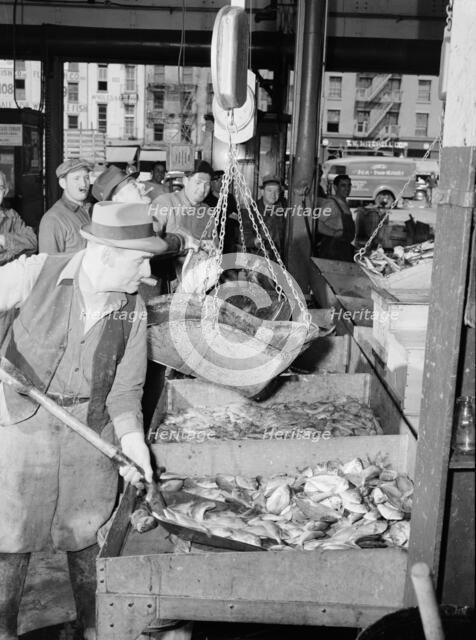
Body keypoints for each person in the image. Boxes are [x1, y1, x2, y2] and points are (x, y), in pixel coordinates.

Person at [0, 201, 168, 640]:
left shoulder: (134, 308)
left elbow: (125, 392)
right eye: (140, 259)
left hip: (92, 432)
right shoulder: (36, 273)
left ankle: (91, 627)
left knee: (89, 532)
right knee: (11, 534)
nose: (148, 271)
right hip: (22, 425)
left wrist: (132, 442)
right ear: (107, 254)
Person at [150, 161, 216, 286]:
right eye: (198, 183)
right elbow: (151, 238)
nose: (202, 189)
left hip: (196, 281)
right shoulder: (165, 202)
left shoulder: (207, 210)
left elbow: (214, 243)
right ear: (185, 180)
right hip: (163, 281)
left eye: (207, 185)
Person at [38, 158, 93, 254]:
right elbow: (49, 264)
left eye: (86, 177)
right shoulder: (53, 219)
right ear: (63, 183)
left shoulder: (91, 210)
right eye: (76, 178)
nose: (84, 183)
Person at [243, 174, 288, 260]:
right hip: (259, 258)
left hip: (282, 258)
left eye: (276, 191)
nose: (273, 195)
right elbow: (244, 234)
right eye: (269, 190)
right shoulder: (251, 211)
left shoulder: (285, 208)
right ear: (262, 192)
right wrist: (255, 241)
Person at [316, 173, 356, 262]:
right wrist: (334, 233)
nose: (347, 188)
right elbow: (318, 224)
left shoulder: (344, 204)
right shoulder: (331, 204)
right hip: (332, 251)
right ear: (335, 187)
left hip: (343, 250)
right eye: (343, 185)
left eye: (349, 185)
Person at [0, 171, 37, 266]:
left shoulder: (11, 216)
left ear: (5, 191)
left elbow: (32, 242)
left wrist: (4, 239)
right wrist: (13, 252)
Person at [204, 169, 240, 254]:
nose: (221, 183)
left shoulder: (230, 198)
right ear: (211, 183)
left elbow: (235, 218)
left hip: (228, 238)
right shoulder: (206, 200)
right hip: (211, 240)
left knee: (229, 264)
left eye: (223, 180)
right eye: (217, 180)